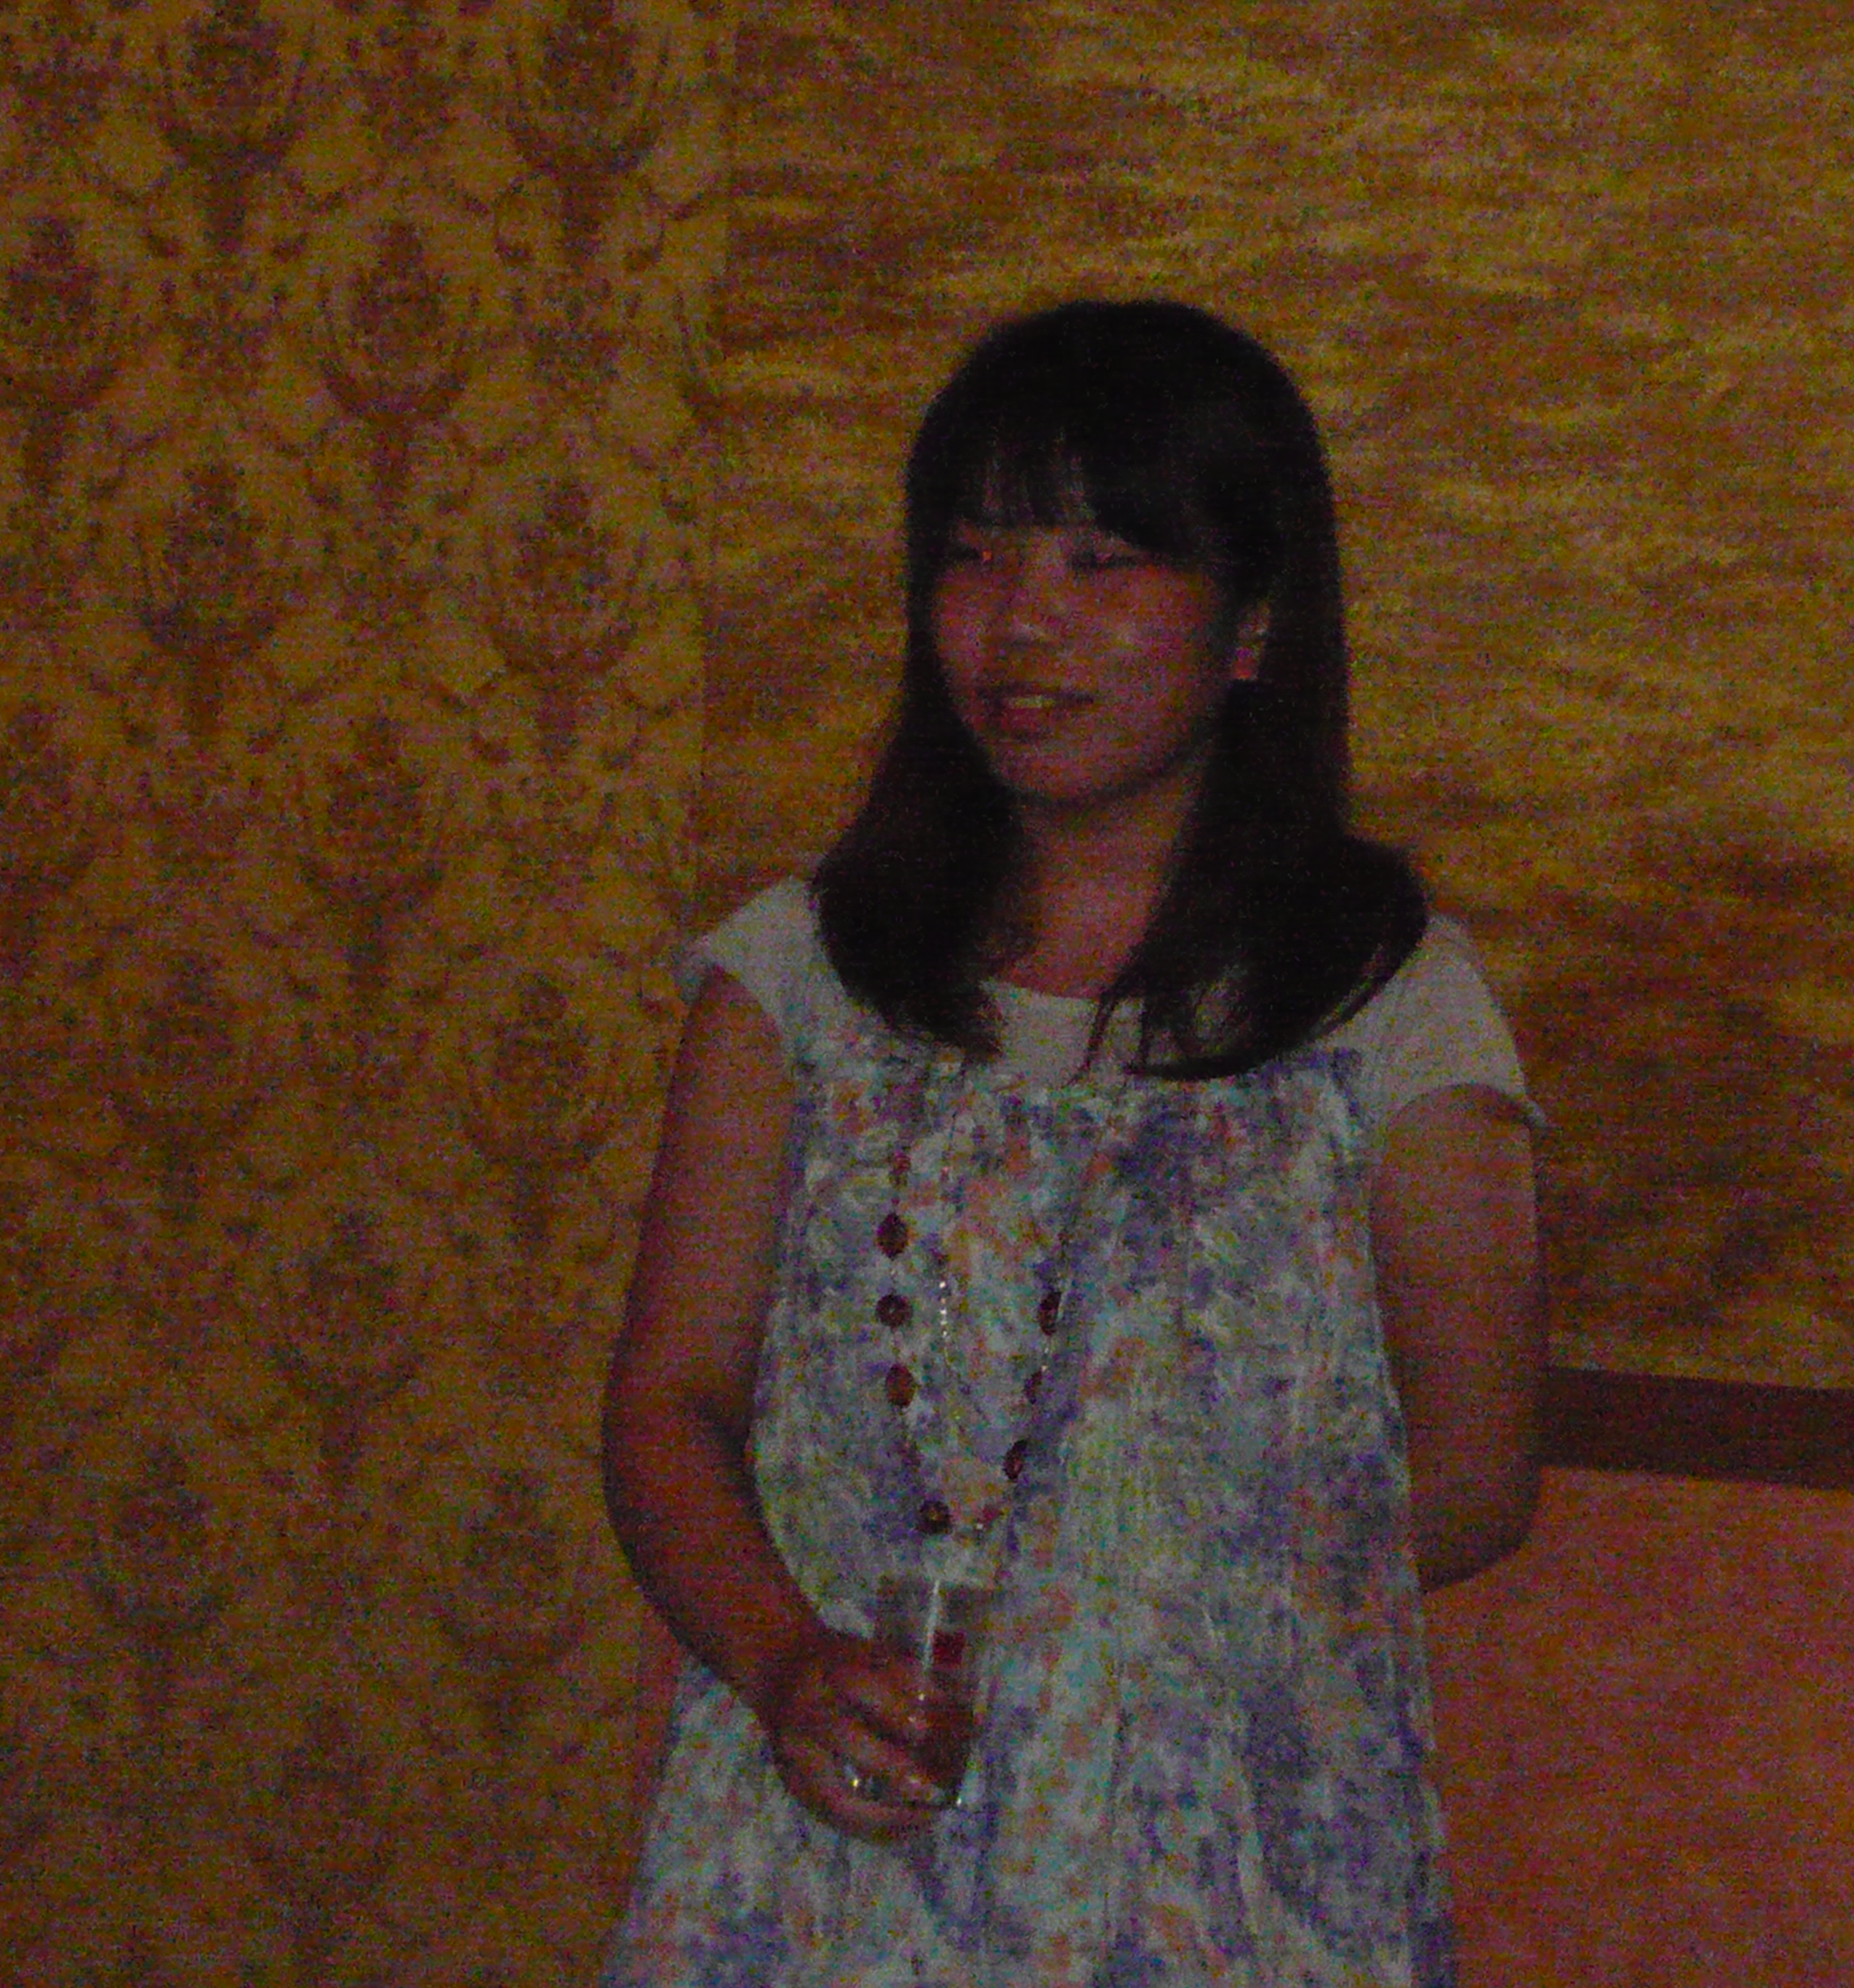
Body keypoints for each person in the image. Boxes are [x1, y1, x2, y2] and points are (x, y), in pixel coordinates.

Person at [599, 299, 1545, 1987]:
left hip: (1222, 1860)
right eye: (975, 556)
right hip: (831, 1834)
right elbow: (668, 1404)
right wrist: (786, 1659)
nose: (1022, 621)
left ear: (1254, 623)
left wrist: (1156, 1629)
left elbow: (1473, 1473)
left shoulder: (1386, 1000)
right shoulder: (801, 974)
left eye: (1102, 561)